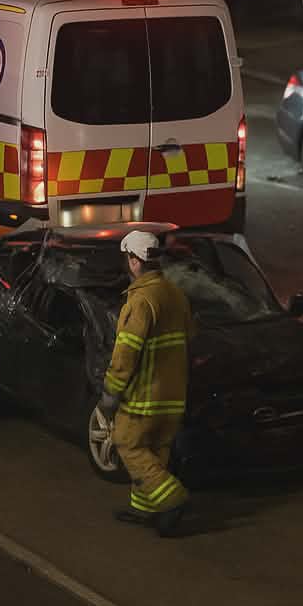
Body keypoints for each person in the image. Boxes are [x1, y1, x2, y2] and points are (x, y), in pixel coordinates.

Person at [98, 230, 195, 538]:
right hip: (174, 395)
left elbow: (125, 353)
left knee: (129, 444)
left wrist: (111, 392)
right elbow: (190, 338)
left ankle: (171, 499)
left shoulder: (140, 301)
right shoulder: (176, 295)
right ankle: (145, 507)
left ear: (134, 261)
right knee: (157, 450)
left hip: (144, 397)